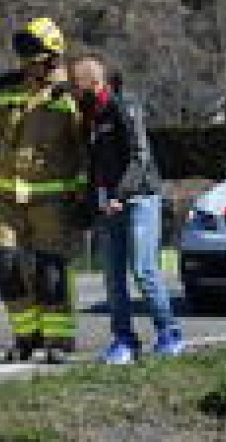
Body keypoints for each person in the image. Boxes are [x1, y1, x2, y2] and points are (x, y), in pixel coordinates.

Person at [0, 17, 87, 364]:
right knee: (5, 267)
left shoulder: (69, 96)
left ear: (52, 56)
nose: (25, 63)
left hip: (53, 201)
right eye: (24, 56)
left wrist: (82, 195)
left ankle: (59, 340)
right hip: (7, 199)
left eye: (32, 55)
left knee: (51, 272)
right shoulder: (6, 91)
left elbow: (83, 151)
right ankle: (26, 335)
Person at [69, 56, 185, 364]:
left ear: (96, 84)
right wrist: (88, 201)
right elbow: (92, 165)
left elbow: (139, 157)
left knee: (143, 269)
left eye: (78, 89)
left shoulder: (123, 107)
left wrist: (122, 193)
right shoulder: (87, 118)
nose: (75, 95)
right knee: (112, 275)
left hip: (140, 198)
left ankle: (169, 332)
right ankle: (124, 339)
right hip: (108, 204)